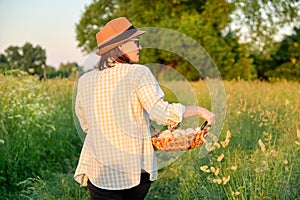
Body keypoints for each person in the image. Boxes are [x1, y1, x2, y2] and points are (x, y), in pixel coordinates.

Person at [74, 17, 215, 200]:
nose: (139, 47)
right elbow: (161, 113)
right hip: (134, 170)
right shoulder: (138, 73)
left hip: (99, 171)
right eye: (135, 42)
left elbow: (86, 123)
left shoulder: (85, 80)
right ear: (120, 46)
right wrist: (199, 110)